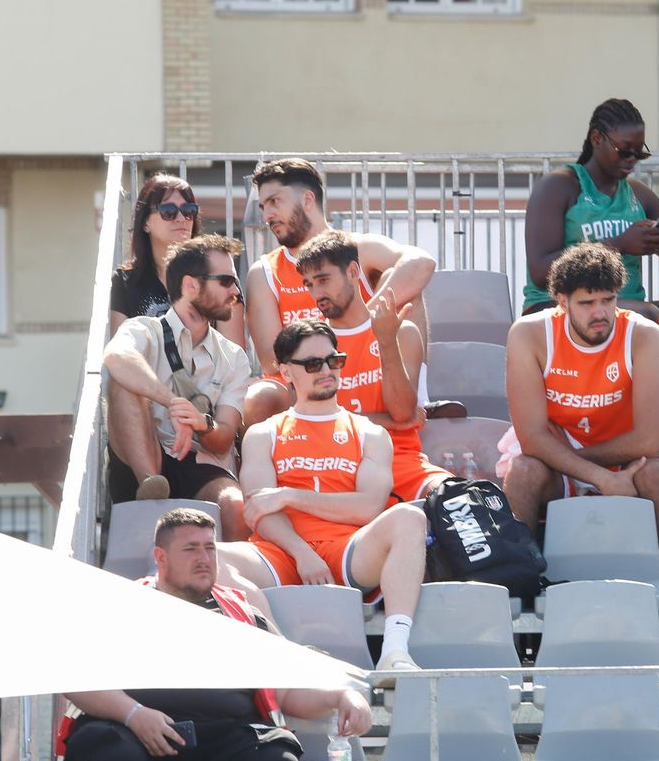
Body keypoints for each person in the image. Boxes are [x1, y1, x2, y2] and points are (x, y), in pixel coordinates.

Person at [59, 509, 373, 761]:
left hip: (224, 737)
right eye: (191, 549)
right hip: (134, 733)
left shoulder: (242, 613)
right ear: (160, 557)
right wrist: (134, 715)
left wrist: (342, 695)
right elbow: (74, 675)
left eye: (210, 548)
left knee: (276, 760)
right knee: (108, 752)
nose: (204, 558)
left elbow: (287, 688)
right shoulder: (120, 606)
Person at [219, 320, 428, 683]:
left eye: (334, 361)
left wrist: (289, 495)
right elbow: (258, 513)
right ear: (286, 371)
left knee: (409, 518)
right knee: (210, 555)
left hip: (348, 548)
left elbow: (368, 507)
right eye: (313, 364)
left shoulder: (370, 433)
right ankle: (275, 648)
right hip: (281, 550)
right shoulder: (264, 433)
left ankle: (395, 652)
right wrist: (302, 553)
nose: (327, 371)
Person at [504, 243, 659, 591]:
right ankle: (517, 603)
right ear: (561, 301)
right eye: (587, 303)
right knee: (523, 471)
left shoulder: (645, 335)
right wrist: (596, 476)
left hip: (623, 460)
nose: (600, 312)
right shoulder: (529, 334)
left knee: (655, 475)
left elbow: (649, 440)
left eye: (608, 300)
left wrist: (584, 466)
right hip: (562, 464)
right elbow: (531, 438)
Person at [244, 157, 437, 425]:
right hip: (306, 380)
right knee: (260, 395)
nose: (266, 216)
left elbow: (421, 262)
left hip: (373, 369)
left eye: (275, 201)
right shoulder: (264, 271)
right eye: (263, 206)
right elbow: (273, 364)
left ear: (308, 200)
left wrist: (364, 327)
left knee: (404, 285)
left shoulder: (356, 247)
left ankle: (418, 397)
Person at [102, 234, 250, 538]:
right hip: (140, 458)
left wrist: (200, 423)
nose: (236, 291)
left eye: (236, 282)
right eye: (225, 281)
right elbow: (116, 356)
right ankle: (151, 485)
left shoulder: (234, 357)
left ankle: (235, 583)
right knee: (124, 382)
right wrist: (173, 403)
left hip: (196, 462)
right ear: (191, 285)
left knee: (235, 505)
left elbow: (223, 440)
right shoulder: (143, 329)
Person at [296, 229, 451, 503]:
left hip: (400, 462)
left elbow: (403, 412)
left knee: (459, 498)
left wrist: (386, 340)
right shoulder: (306, 343)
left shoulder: (402, 331)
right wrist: (387, 421)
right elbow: (314, 422)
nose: (317, 293)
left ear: (354, 272)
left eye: (323, 280)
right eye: (309, 284)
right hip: (334, 465)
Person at [521, 98, 659, 318]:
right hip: (556, 307)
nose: (632, 160)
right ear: (597, 138)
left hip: (624, 307)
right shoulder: (558, 187)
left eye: (639, 153)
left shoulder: (639, 194)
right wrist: (619, 245)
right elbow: (540, 272)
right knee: (648, 315)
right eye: (624, 151)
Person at [108, 172, 245, 348]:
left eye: (189, 211)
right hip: (146, 373)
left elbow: (233, 353)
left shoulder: (220, 274)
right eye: (169, 211)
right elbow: (121, 351)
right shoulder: (125, 281)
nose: (181, 218)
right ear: (145, 223)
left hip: (209, 373)